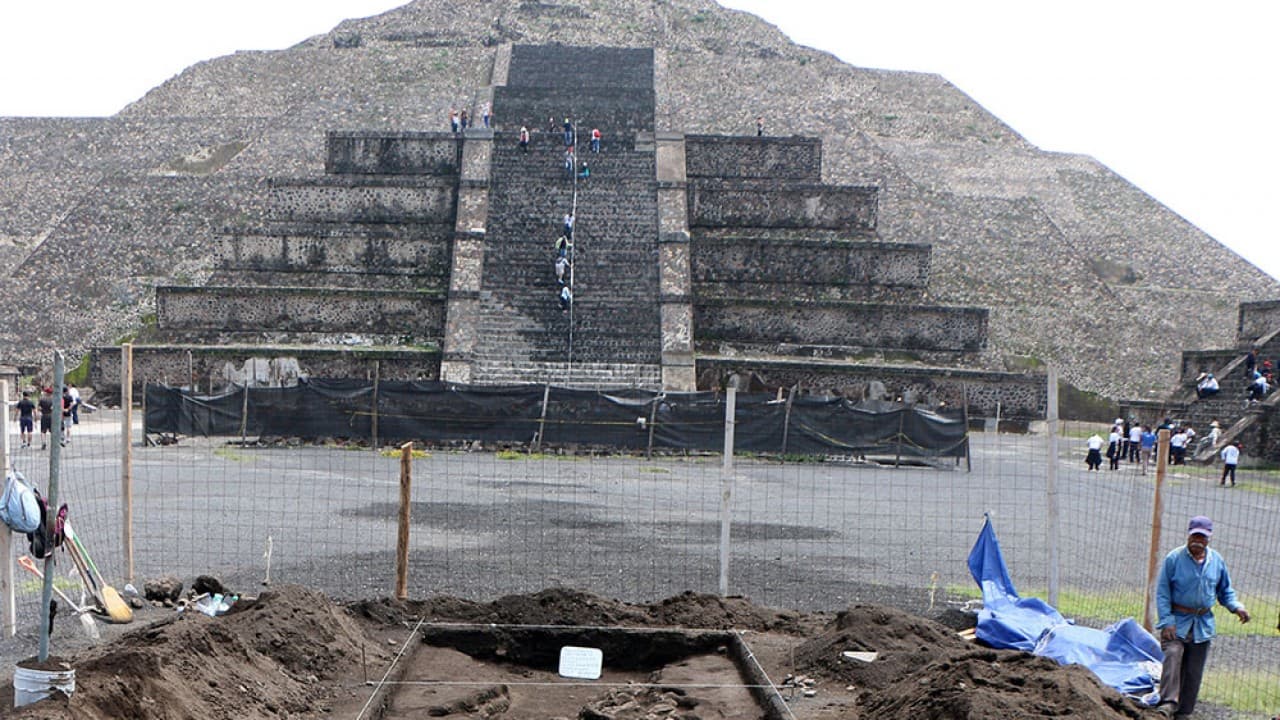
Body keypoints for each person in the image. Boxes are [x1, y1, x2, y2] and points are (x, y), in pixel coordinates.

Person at [1153, 516, 1249, 718]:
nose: (1197, 540)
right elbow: (1162, 593)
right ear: (1188, 535)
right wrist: (1167, 621)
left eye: (1202, 537)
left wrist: (1236, 607)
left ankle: (1184, 711)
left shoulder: (1216, 561)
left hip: (1202, 625)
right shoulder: (1174, 559)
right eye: (1194, 535)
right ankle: (1167, 704)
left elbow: (1225, 591)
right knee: (1173, 656)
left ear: (1209, 539)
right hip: (1177, 622)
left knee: (1194, 671)